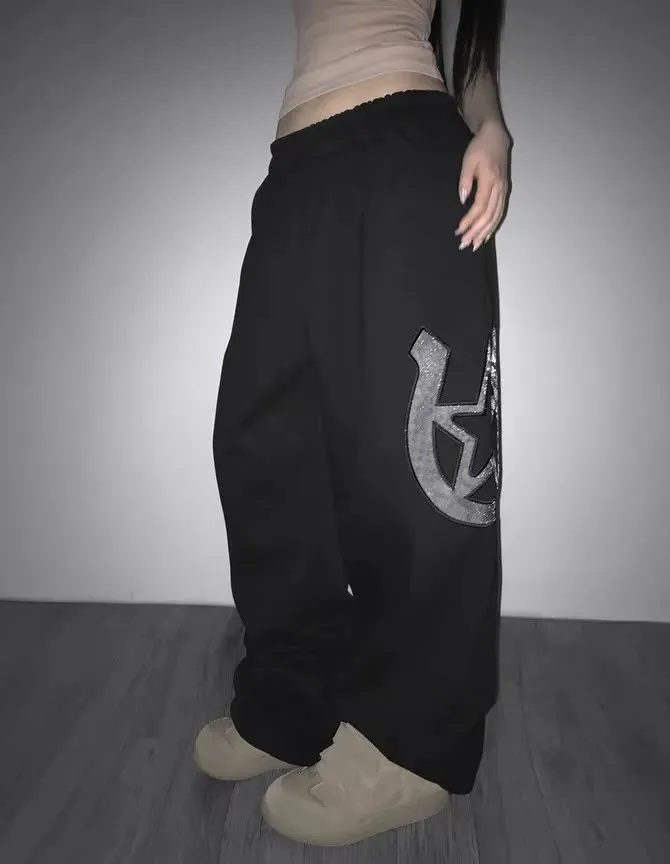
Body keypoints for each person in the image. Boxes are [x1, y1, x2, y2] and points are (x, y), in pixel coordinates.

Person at [194, 0, 511, 847]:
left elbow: (470, 48)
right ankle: (293, 699)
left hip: (409, 153)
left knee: (418, 460)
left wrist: (493, 129)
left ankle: (412, 746)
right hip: (296, 168)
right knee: (265, 444)